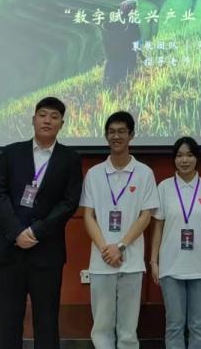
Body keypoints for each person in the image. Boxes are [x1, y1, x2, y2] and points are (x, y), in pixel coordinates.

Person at [0, 96, 83, 349]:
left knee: (47, 321)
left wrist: (36, 231)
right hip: (10, 250)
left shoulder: (70, 158)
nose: (47, 120)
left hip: (47, 251)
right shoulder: (11, 153)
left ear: (62, 124)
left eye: (54, 116)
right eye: (42, 115)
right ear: (33, 119)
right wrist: (16, 232)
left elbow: (69, 202)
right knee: (8, 321)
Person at [80, 111, 159, 349]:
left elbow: (146, 216)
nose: (116, 136)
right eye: (112, 132)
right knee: (101, 325)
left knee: (128, 328)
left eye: (121, 132)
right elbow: (88, 215)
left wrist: (121, 246)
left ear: (131, 135)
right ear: (106, 136)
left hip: (131, 260)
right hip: (101, 260)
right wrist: (106, 249)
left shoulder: (144, 173)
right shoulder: (94, 173)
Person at [150, 137, 201, 349]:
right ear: (174, 159)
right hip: (171, 265)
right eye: (179, 155)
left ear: (196, 158)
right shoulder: (164, 187)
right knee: (174, 324)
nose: (184, 160)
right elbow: (158, 226)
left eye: (189, 155)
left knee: (199, 325)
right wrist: (154, 261)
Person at [102, 0, 141, 86]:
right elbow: (136, 41)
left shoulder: (116, 21)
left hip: (113, 55)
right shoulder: (133, 24)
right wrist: (141, 55)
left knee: (111, 73)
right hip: (125, 57)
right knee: (121, 76)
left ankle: (108, 83)